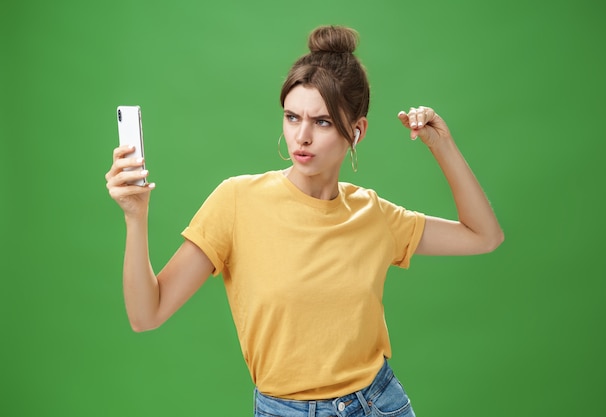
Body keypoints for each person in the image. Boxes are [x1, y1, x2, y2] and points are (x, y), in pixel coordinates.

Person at [105, 25, 503, 417]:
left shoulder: (374, 214)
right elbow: (146, 315)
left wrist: (441, 145)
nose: (302, 137)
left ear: (357, 131)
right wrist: (135, 217)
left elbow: (483, 236)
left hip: (378, 405)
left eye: (323, 122)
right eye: (292, 117)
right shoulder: (236, 201)